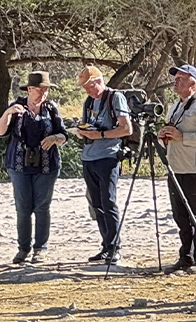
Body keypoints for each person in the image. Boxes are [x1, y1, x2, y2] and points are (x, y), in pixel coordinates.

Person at [0, 71, 68, 264]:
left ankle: (40, 248)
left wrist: (54, 139)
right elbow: (0, 131)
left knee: (42, 207)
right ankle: (23, 248)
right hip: (19, 164)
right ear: (29, 89)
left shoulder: (51, 108)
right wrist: (7, 114)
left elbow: (64, 135)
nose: (43, 92)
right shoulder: (17, 107)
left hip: (46, 165)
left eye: (46, 89)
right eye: (40, 89)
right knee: (23, 208)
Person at [158, 64, 196, 274]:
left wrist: (183, 137)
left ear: (193, 83)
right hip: (175, 166)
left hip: (193, 167)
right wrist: (166, 135)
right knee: (180, 215)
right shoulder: (175, 106)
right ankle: (186, 257)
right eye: (175, 78)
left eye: (181, 79)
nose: (176, 81)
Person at [76, 66, 132, 265]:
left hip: (108, 157)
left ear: (99, 81)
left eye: (90, 86)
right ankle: (106, 245)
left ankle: (115, 247)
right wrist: (83, 131)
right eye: (85, 88)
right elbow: (86, 123)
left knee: (108, 202)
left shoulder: (115, 98)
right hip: (89, 156)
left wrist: (99, 134)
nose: (88, 91)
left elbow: (126, 129)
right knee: (97, 203)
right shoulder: (89, 101)